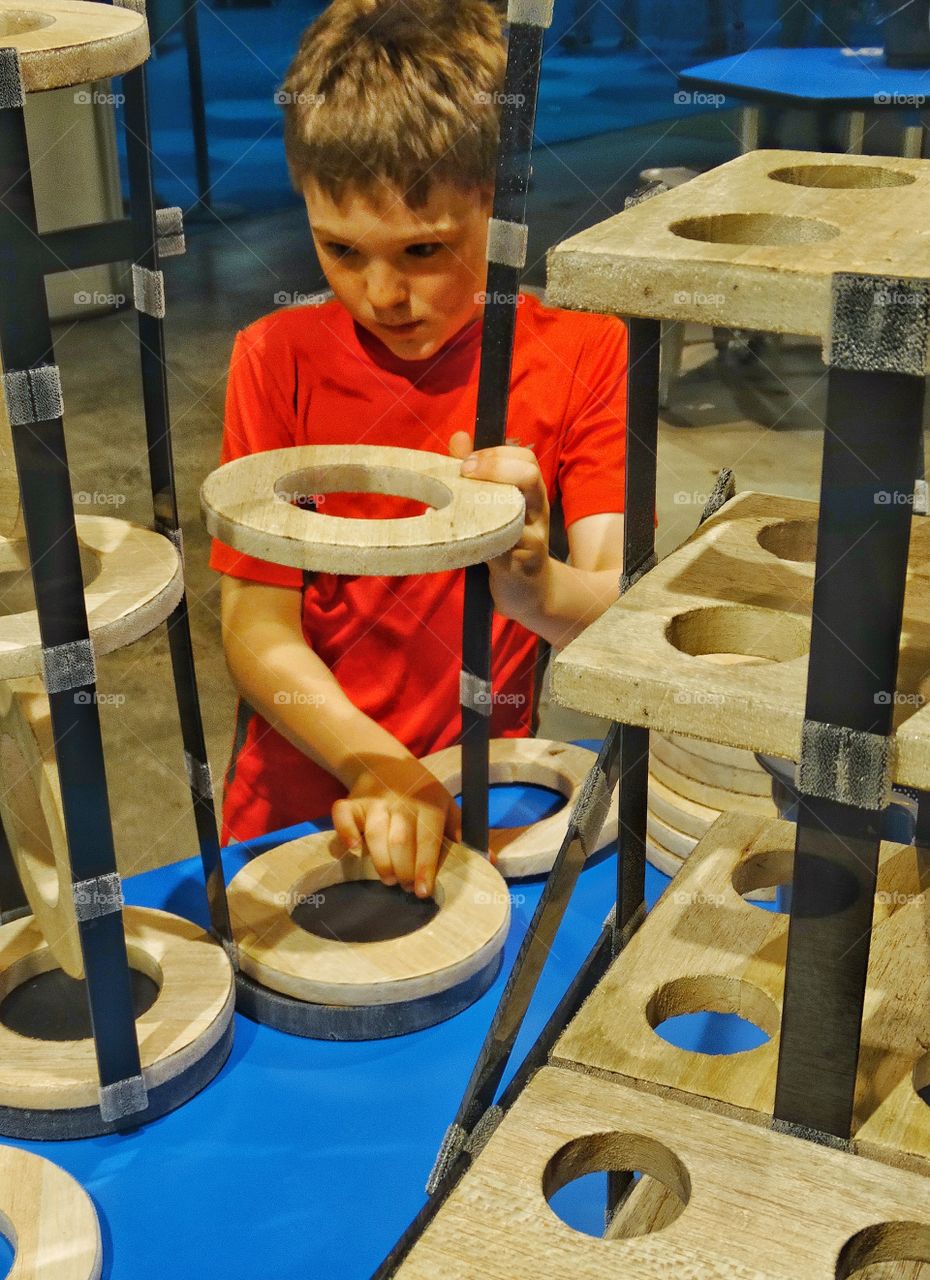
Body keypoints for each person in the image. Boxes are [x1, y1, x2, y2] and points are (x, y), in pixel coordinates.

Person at [209, 0, 628, 901]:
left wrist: (533, 588)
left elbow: (613, 620)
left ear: (496, 197)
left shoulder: (585, 356)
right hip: (296, 811)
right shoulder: (274, 359)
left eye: (425, 248)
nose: (381, 293)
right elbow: (254, 626)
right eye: (339, 249)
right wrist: (384, 771)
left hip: (484, 805)